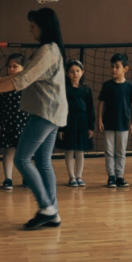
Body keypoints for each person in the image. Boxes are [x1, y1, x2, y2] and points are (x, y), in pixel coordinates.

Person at [0, 8, 68, 230]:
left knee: (22, 159)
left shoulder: (47, 51)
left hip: (46, 113)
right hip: (52, 112)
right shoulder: (50, 50)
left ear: (44, 27)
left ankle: (47, 208)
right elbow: (25, 75)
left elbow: (23, 80)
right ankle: (52, 212)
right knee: (43, 161)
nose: (30, 29)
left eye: (33, 25)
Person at [98, 52, 132, 188]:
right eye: (112, 67)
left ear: (125, 69)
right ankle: (111, 177)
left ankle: (120, 176)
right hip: (108, 123)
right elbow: (101, 103)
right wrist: (99, 120)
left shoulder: (129, 86)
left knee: (121, 152)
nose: (113, 69)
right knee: (109, 151)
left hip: (123, 124)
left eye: (117, 67)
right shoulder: (107, 85)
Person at [0, 54, 31, 191]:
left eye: (15, 66)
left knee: (25, 152)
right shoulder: (3, 86)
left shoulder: (28, 85)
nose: (12, 69)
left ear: (23, 68)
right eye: (9, 66)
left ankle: (26, 177)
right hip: (8, 122)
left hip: (24, 123)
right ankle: (8, 178)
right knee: (9, 150)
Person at [58, 59, 94, 188]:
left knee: (80, 151)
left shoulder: (86, 89)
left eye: (77, 71)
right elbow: (61, 109)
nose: (75, 74)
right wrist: (61, 128)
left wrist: (91, 126)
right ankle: (71, 177)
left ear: (82, 72)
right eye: (72, 71)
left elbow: (91, 109)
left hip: (82, 122)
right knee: (69, 150)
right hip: (69, 122)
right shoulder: (64, 90)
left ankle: (79, 176)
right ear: (67, 74)